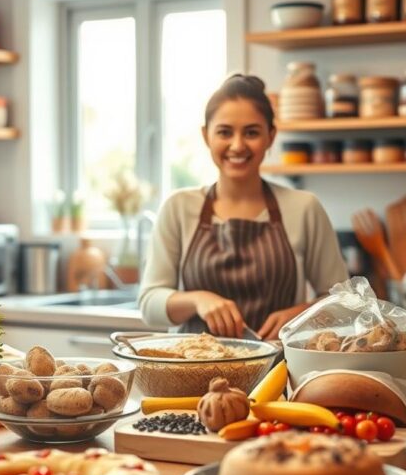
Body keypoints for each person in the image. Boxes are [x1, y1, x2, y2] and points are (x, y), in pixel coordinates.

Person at [138, 74, 348, 340]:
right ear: (206, 136)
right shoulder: (178, 207)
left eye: (251, 132)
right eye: (225, 132)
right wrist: (198, 300)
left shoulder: (304, 208)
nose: (237, 145)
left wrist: (303, 314)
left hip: (276, 374)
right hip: (191, 373)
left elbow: (344, 301)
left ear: (271, 136)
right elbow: (149, 304)